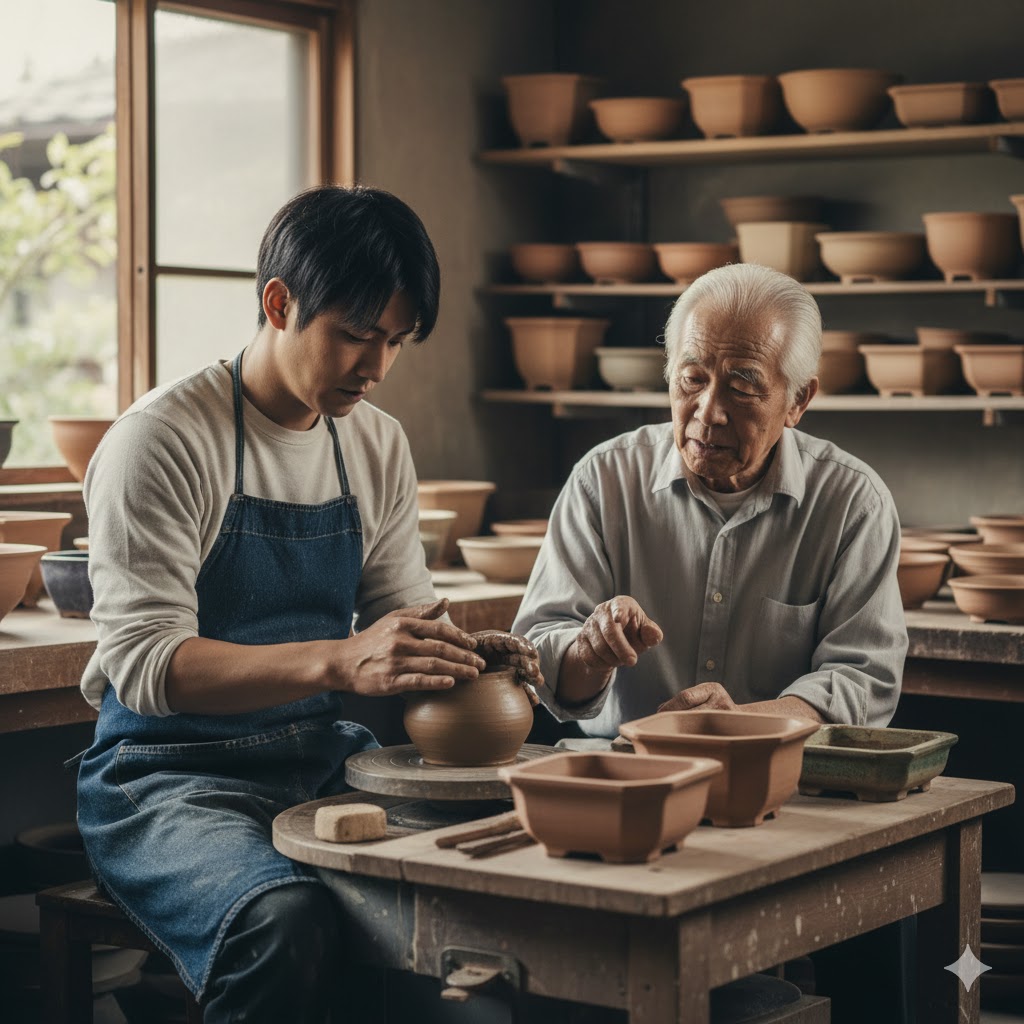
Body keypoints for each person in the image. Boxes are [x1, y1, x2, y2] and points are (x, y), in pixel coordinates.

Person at [74, 184, 537, 1023]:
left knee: (486, 913)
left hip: (326, 762)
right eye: (357, 334)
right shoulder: (163, 440)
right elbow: (144, 665)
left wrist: (465, 654)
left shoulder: (376, 442)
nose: (378, 366)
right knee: (284, 924)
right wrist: (337, 658)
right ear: (279, 303)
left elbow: (404, 614)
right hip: (171, 779)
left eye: (396, 341)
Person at [513, 261, 908, 735]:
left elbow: (863, 680)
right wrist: (589, 651)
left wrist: (742, 724)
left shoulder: (853, 504)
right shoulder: (602, 480)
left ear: (798, 400)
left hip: (780, 778)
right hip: (625, 774)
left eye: (742, 386)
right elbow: (537, 660)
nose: (709, 411)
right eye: (692, 378)